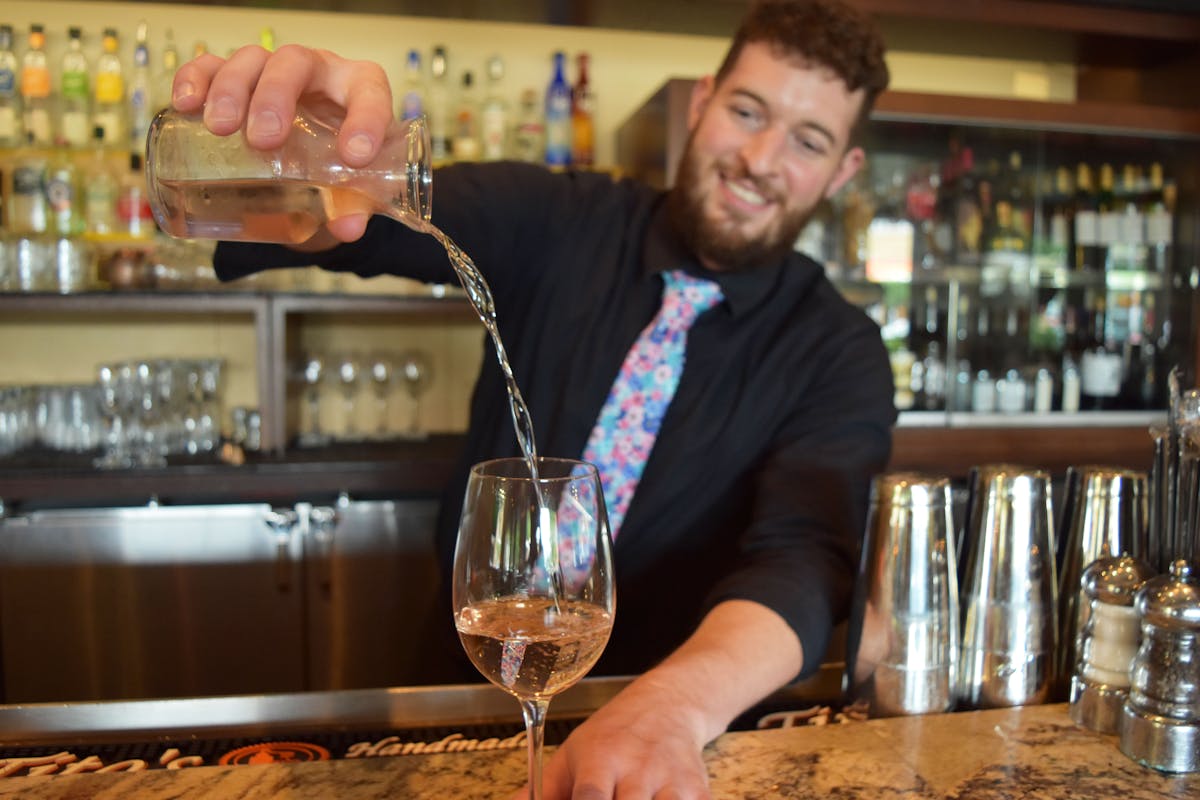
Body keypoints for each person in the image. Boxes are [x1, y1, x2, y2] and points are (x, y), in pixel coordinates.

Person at [173, 0, 895, 795]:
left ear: (842, 172)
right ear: (702, 103)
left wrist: (672, 708)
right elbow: (363, 227)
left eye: (808, 139)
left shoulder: (841, 350)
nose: (761, 157)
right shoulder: (560, 219)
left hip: (676, 741)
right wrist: (310, 161)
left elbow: (805, 560)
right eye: (747, 110)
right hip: (459, 708)